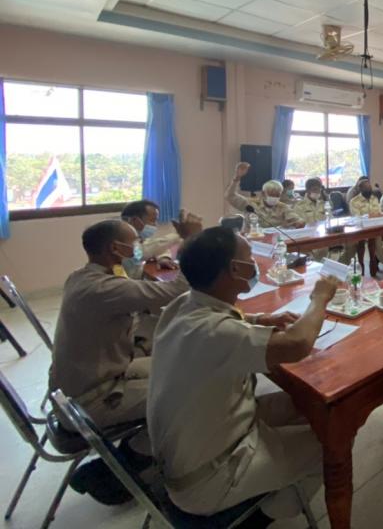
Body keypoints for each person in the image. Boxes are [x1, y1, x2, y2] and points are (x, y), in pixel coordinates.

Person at [148, 227, 332, 522]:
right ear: (234, 269)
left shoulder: (182, 304)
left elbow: (226, 320)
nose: (256, 265)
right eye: (250, 259)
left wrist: (261, 319)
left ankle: (275, 475)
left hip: (204, 437)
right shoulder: (214, 333)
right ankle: (259, 518)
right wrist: (319, 298)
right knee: (331, 445)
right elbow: (297, 344)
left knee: (312, 406)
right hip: (208, 477)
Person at [50, 220, 190, 432]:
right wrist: (190, 241)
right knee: (191, 389)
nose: (138, 248)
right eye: (134, 243)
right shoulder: (104, 288)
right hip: (91, 401)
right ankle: (141, 447)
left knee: (176, 364)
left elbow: (131, 287)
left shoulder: (80, 277)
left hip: (85, 384)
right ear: (115, 248)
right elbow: (178, 291)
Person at [121, 199, 202, 267]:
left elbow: (155, 247)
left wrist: (163, 258)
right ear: (135, 221)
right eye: (152, 220)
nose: (155, 224)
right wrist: (180, 234)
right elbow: (144, 252)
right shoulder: (123, 241)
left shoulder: (139, 238)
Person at [226, 162, 304, 229]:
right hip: (252, 238)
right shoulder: (250, 204)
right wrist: (237, 178)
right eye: (271, 194)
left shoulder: (283, 207)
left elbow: (298, 220)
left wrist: (297, 223)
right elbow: (230, 196)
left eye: (277, 195)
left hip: (275, 239)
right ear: (263, 194)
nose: (274, 197)